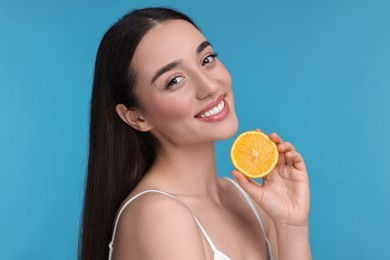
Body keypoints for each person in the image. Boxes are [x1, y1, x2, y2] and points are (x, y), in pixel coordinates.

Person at [79, 7, 311, 260]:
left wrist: (291, 227)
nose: (210, 87)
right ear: (136, 117)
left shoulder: (249, 200)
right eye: (174, 81)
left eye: (207, 59)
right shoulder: (158, 215)